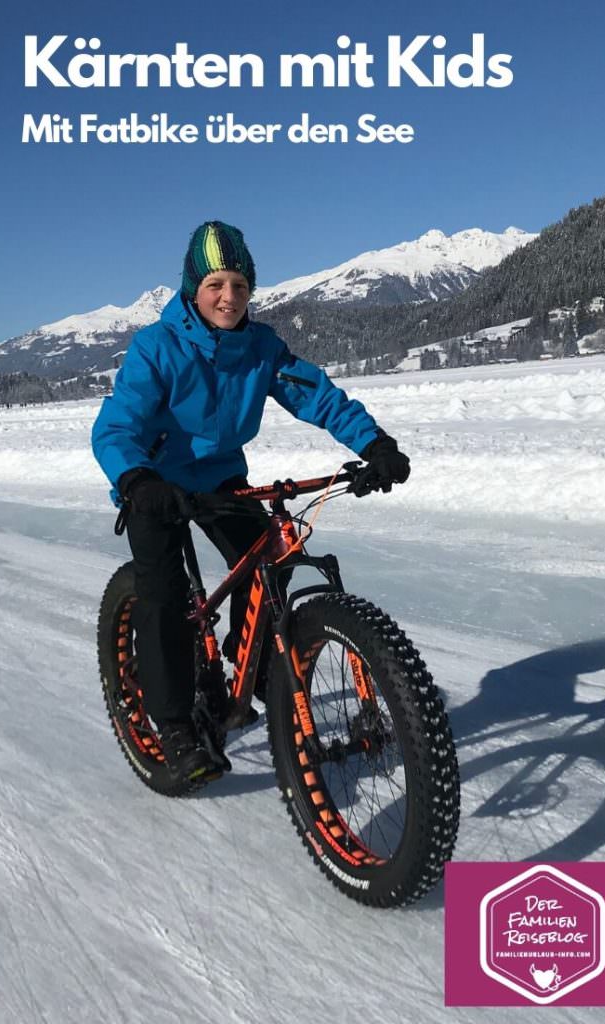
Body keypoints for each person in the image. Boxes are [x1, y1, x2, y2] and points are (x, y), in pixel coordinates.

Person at [91, 221, 410, 784]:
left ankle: (255, 667)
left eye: (239, 284)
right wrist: (137, 480)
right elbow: (116, 427)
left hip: (221, 481)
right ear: (194, 289)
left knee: (268, 562)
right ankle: (174, 727)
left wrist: (374, 443)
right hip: (156, 486)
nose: (229, 297)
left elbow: (317, 396)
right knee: (164, 597)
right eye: (216, 283)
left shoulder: (260, 348)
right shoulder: (156, 348)